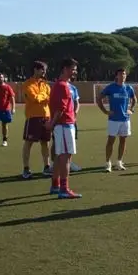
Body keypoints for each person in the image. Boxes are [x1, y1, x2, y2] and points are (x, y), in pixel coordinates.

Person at [47, 58, 81, 199]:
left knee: (60, 157)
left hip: (63, 125)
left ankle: (55, 185)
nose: (75, 71)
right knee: (65, 157)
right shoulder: (63, 86)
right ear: (65, 69)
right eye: (73, 69)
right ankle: (64, 189)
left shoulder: (59, 85)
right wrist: (52, 124)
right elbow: (60, 109)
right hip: (64, 125)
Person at [97, 67, 136, 172]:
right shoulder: (111, 87)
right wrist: (105, 111)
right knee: (111, 141)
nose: (122, 76)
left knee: (123, 140)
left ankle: (119, 162)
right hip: (113, 119)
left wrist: (131, 109)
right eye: (120, 74)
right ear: (116, 76)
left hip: (125, 119)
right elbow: (99, 98)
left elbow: (134, 99)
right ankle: (108, 163)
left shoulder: (128, 88)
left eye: (124, 74)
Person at [21, 61, 52, 178]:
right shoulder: (28, 84)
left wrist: (42, 97)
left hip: (46, 116)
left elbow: (49, 97)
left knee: (45, 143)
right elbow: (34, 98)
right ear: (35, 69)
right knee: (28, 143)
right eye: (42, 69)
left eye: (45, 70)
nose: (44, 72)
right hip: (33, 117)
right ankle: (26, 169)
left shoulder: (45, 85)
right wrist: (44, 96)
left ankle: (46, 167)